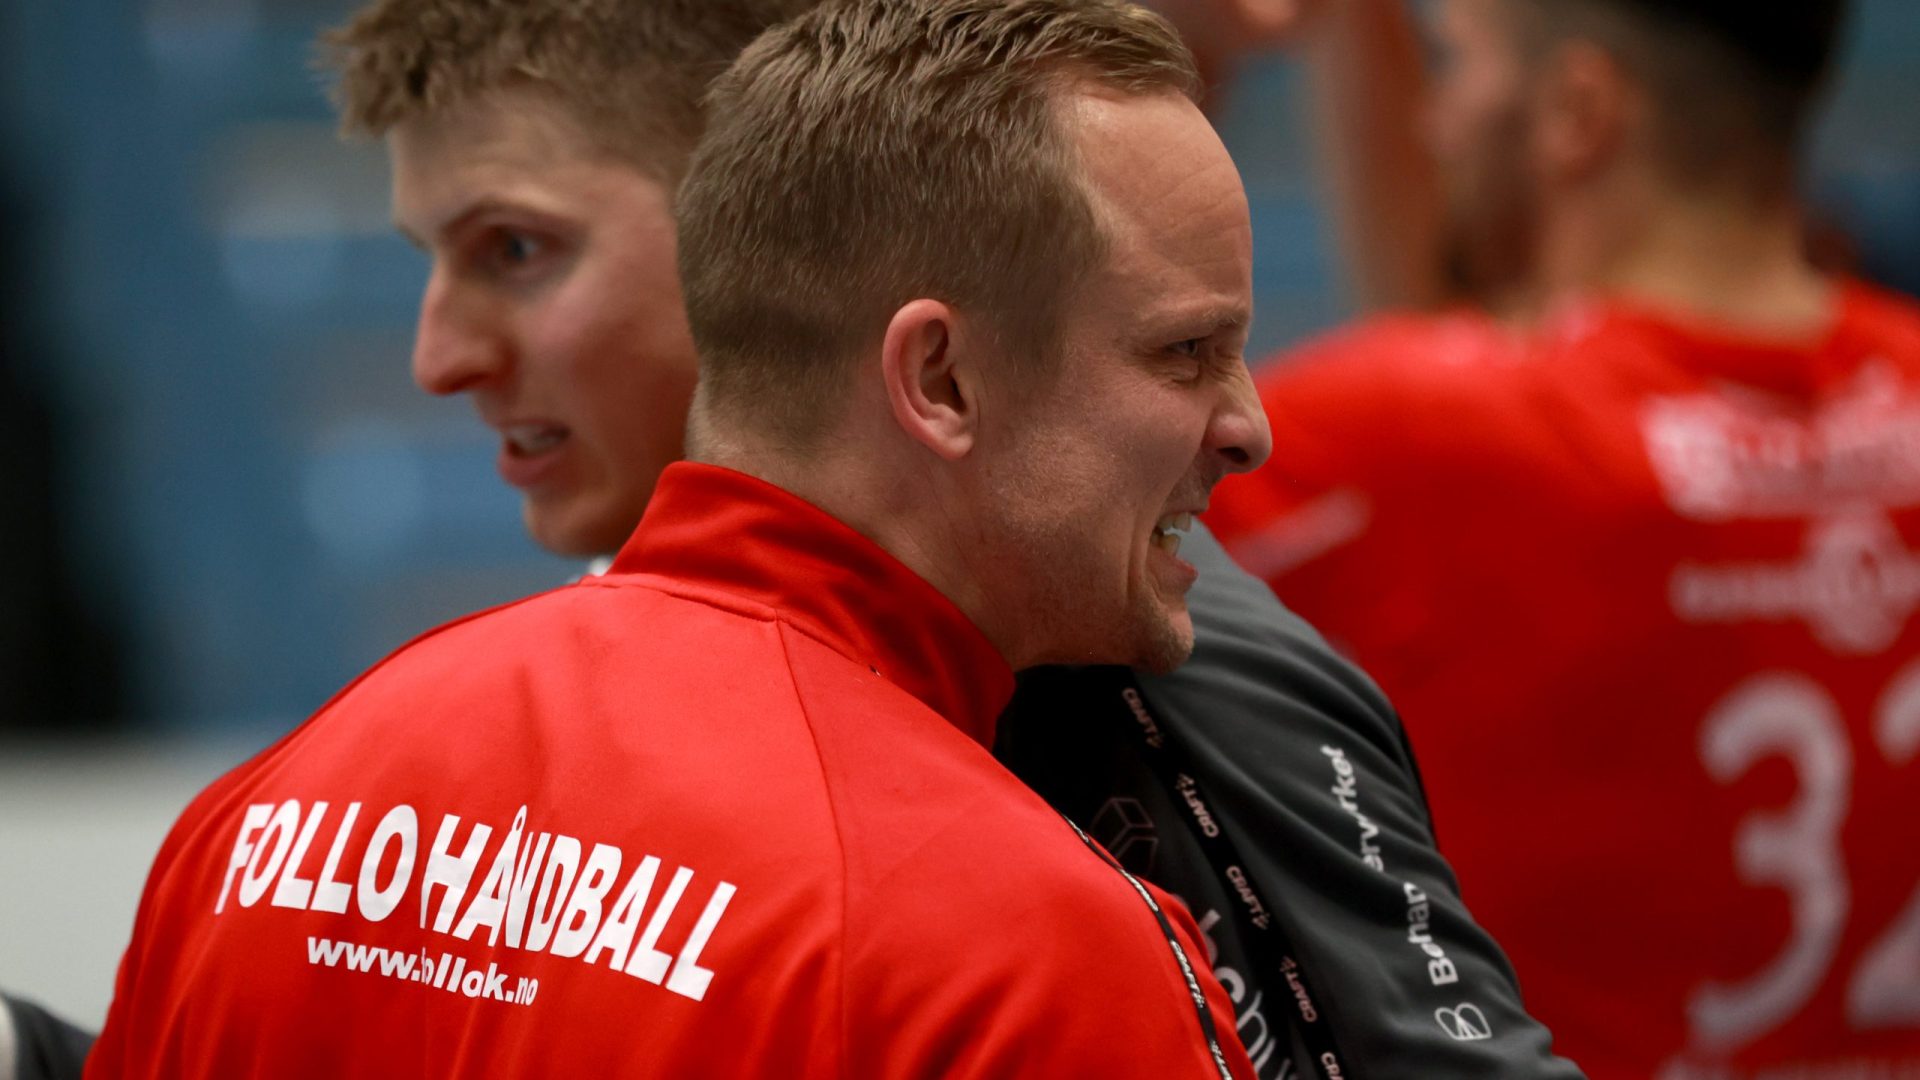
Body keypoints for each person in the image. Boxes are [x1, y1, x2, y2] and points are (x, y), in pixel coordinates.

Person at [332, 0, 1583, 1076]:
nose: (443, 355)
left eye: (517, 250)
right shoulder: (476, 728)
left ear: (758, 201)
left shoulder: (1139, 658)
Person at [84, 1, 1274, 1075]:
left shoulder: (266, 815)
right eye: (1184, 352)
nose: (1250, 429)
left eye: (514, 249)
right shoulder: (1029, 953)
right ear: (938, 377)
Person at [1200, 2, 1920, 1077]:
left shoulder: (1423, 439)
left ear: (1580, 112)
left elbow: (1031, 501)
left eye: (1458, 66)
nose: (1437, 118)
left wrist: (1170, 67)